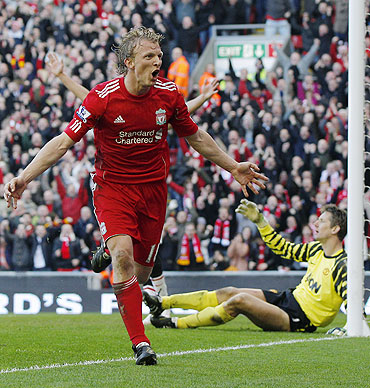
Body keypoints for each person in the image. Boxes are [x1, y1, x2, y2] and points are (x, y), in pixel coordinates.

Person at [4, 27, 268, 366]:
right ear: (129, 62)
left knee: (139, 276)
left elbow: (196, 136)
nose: (158, 61)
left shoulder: (168, 94)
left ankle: (107, 250)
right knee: (124, 258)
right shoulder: (103, 97)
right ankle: (141, 343)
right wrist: (25, 176)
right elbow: (63, 142)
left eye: (159, 55)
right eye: (150, 56)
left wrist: (233, 167)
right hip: (112, 188)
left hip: (153, 193)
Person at [144, 199, 348, 334]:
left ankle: (174, 323)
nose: (315, 224)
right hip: (288, 298)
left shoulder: (342, 265)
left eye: (321, 221)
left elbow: (351, 299)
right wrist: (260, 221)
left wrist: (349, 326)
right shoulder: (315, 249)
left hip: (299, 319)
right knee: (229, 291)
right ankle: (162, 303)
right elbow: (283, 248)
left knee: (239, 301)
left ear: (335, 229)